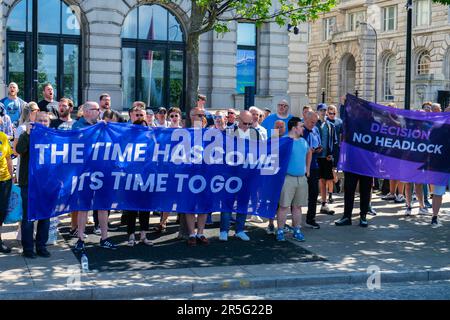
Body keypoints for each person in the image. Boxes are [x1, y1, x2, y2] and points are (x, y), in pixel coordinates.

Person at [72, 101, 117, 252]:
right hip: (85, 172)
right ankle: (80, 239)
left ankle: (104, 238)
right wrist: (98, 128)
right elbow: (81, 140)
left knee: (103, 206)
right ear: (86, 112)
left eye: (99, 109)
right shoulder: (77, 125)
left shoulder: (103, 125)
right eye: (96, 109)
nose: (99, 111)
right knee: (84, 206)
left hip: (102, 170)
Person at [16, 112, 52, 258]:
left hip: (46, 184)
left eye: (45, 121)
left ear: (49, 123)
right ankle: (28, 249)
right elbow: (19, 150)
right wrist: (28, 134)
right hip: (29, 183)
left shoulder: (53, 137)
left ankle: (41, 246)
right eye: (40, 120)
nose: (43, 123)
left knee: (45, 216)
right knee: (28, 217)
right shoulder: (27, 134)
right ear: (34, 121)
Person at [220, 111, 259, 241]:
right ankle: (224, 230)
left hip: (247, 173)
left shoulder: (255, 133)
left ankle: (240, 230)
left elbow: (260, 151)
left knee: (243, 202)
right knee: (228, 201)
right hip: (230, 172)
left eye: (250, 123)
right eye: (245, 123)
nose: (247, 126)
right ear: (238, 120)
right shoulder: (228, 132)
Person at [275, 117, 311, 242]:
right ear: (294, 128)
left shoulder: (303, 141)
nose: (303, 128)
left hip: (301, 179)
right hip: (287, 179)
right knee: (284, 206)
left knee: (297, 207)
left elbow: (309, 152)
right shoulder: (284, 141)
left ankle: (297, 230)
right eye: (301, 126)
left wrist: (308, 169)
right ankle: (280, 230)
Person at [181, 107, 210, 246]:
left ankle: (201, 232)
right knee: (190, 204)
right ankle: (192, 233)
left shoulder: (209, 133)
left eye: (204, 115)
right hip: (189, 173)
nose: (202, 117)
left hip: (205, 173)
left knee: (204, 204)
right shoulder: (185, 133)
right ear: (192, 116)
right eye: (199, 115)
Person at [124, 118, 153, 246]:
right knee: (131, 209)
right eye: (140, 127)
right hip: (131, 177)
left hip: (147, 177)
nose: (143, 129)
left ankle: (143, 235)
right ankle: (131, 236)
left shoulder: (151, 141)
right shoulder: (129, 142)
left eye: (145, 127)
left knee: (145, 208)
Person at [316, 103, 338, 215]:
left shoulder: (330, 126)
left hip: (326, 157)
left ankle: (324, 203)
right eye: (321, 110)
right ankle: (313, 202)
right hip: (315, 157)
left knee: (325, 180)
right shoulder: (315, 124)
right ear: (317, 111)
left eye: (325, 110)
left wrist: (332, 154)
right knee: (316, 180)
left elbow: (334, 142)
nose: (323, 112)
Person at [302, 111, 322, 229]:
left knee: (314, 193)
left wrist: (318, 149)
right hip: (301, 167)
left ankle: (311, 218)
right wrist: (309, 151)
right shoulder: (300, 130)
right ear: (305, 119)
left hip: (314, 165)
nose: (313, 124)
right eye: (311, 122)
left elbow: (318, 142)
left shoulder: (315, 130)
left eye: (315, 122)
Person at [0, 130, 13, 253]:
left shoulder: (2, 136)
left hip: (4, 180)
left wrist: (11, 177)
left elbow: (8, 158)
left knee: (1, 212)